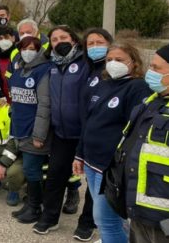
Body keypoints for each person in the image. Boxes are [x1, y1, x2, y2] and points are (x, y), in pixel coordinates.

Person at [72, 43, 151, 243]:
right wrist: (79, 154)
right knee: (112, 219)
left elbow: (134, 131)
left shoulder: (137, 87)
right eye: (109, 60)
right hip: (91, 161)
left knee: (104, 219)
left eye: (120, 59)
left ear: (133, 63)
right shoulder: (104, 83)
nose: (113, 64)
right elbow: (89, 121)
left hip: (110, 166)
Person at [105, 44, 169, 242]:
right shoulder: (151, 102)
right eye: (151, 67)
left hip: (164, 220)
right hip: (141, 211)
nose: (150, 72)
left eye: (157, 68)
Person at [34, 26, 91, 235]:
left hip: (85, 133)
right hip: (61, 133)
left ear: (74, 39)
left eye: (63, 37)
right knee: (55, 176)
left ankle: (87, 224)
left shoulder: (86, 63)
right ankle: (49, 218)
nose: (59, 42)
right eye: (54, 39)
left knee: (92, 182)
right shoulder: (53, 65)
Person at [70, 28, 114, 242]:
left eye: (100, 42)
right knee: (96, 191)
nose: (95, 47)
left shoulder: (113, 72)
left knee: (102, 195)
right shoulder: (89, 70)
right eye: (90, 44)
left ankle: (91, 225)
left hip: (107, 144)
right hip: (87, 137)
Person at [7, 37, 52, 224]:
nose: (28, 52)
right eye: (24, 48)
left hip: (35, 131)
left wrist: (39, 134)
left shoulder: (44, 71)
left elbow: (44, 105)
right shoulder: (18, 69)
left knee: (32, 170)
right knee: (29, 169)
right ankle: (31, 204)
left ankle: (35, 207)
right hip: (20, 128)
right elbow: (15, 101)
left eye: (32, 48)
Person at [0, 25, 18, 103]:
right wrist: (0, 95)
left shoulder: (19, 54)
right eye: (0, 38)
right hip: (3, 100)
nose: (3, 40)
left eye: (6, 37)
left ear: (13, 38)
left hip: (18, 97)